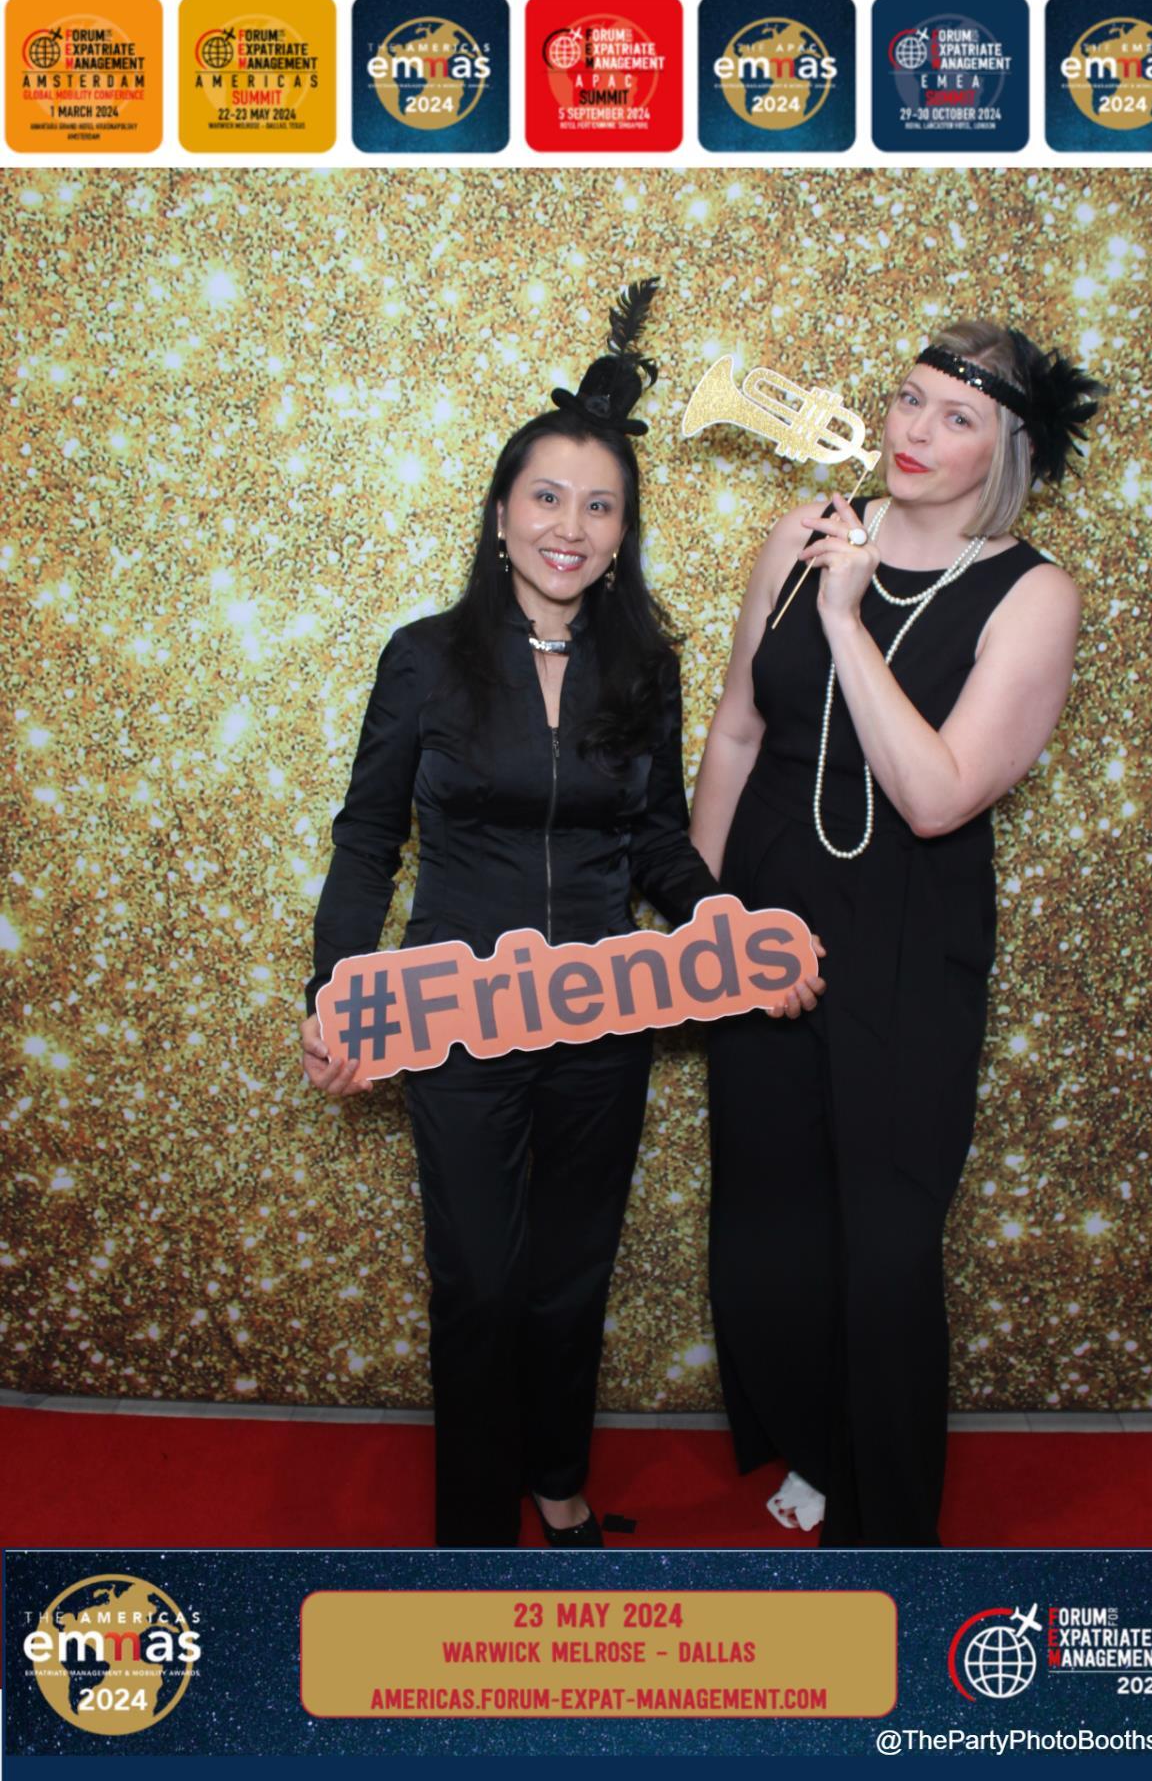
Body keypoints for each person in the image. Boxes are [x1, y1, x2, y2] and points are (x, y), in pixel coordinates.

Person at [300, 281, 743, 1549]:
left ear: (623, 532)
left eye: (600, 506)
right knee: (481, 1287)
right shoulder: (425, 658)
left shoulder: (645, 663)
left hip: (603, 1018)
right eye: (548, 497)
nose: (571, 526)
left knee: (568, 1284)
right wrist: (335, 995)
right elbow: (367, 840)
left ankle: (557, 1485)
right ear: (502, 515)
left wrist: (727, 932)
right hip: (457, 1018)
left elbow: (655, 839)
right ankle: (469, 1534)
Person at [690, 322, 1105, 1546]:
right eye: (909, 401)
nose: (916, 433)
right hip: (761, 917)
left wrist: (845, 616)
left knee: (881, 1240)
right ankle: (816, 1443)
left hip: (907, 939)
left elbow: (936, 796)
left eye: (956, 416)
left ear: (1008, 450)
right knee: (769, 1218)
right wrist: (699, 918)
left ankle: (886, 1518)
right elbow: (736, 732)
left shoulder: (1034, 595)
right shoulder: (802, 531)